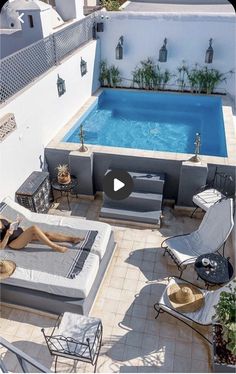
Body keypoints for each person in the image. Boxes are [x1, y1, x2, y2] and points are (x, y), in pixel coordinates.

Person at [0, 216, 82, 253]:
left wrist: (17, 222)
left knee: (47, 234)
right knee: (34, 228)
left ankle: (71, 239)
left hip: (19, 232)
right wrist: (7, 235)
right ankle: (55, 247)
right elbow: (1, 247)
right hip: (14, 242)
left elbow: (10, 222)